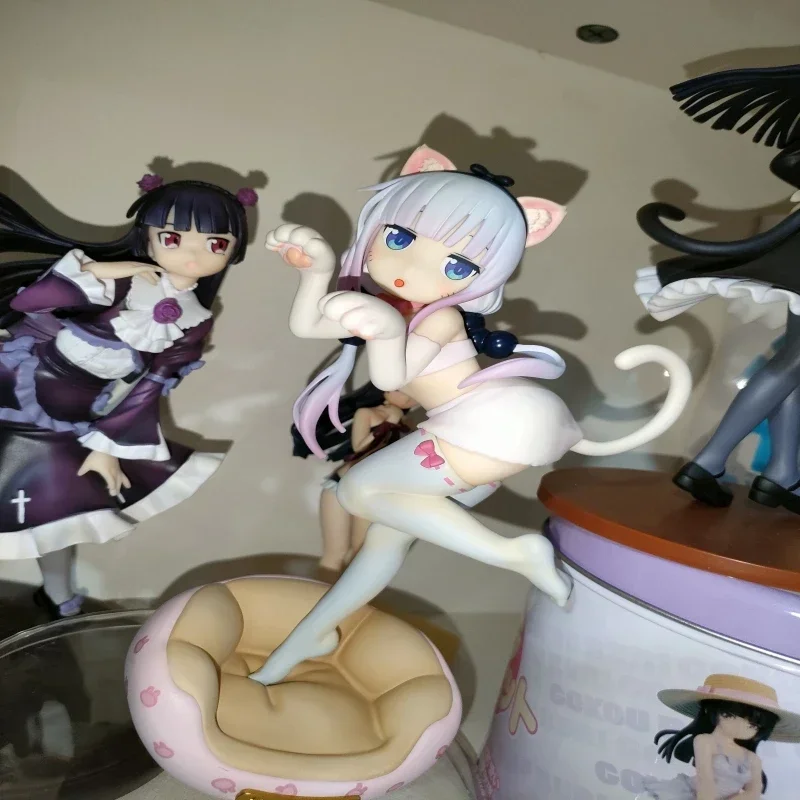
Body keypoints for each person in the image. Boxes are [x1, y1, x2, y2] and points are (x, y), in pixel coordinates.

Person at [250, 145, 690, 685]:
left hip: (487, 424)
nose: (411, 268)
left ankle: (514, 552)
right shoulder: (396, 308)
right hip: (487, 429)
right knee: (384, 541)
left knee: (357, 491)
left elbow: (390, 378)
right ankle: (305, 641)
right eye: (399, 238)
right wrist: (318, 271)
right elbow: (308, 325)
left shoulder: (441, 319)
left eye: (456, 265)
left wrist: (383, 329)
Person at [0, 174, 256, 617]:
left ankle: (57, 594)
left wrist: (107, 447)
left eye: (216, 244)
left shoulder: (195, 318)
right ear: (147, 237)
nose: (193, 253)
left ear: (233, 251)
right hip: (17, 382)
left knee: (56, 513)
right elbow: (31, 302)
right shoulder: (123, 283)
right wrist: (105, 270)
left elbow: (151, 384)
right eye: (173, 237)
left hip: (72, 415)